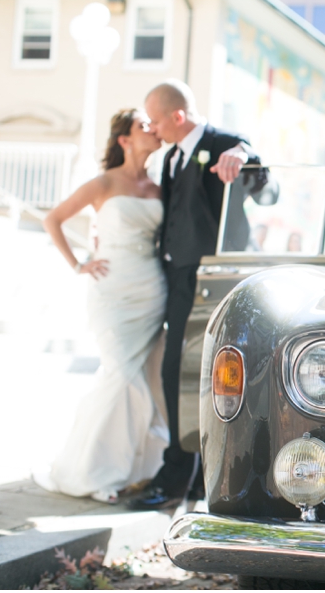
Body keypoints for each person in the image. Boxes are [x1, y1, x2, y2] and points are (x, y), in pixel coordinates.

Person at [128, 80, 259, 510]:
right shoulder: (169, 159)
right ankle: (190, 475)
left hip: (214, 280)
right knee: (175, 373)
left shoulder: (225, 144)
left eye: (156, 120)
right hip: (175, 278)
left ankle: (187, 477)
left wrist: (244, 158)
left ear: (178, 117)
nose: (153, 128)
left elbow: (260, 177)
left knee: (203, 376)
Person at [32, 109, 168, 504]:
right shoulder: (105, 182)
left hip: (151, 290)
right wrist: (78, 263)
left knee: (144, 377)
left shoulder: (161, 187)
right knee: (121, 376)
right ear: (124, 139)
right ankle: (91, 469)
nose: (153, 130)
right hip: (111, 291)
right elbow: (52, 219)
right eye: (144, 126)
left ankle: (134, 469)